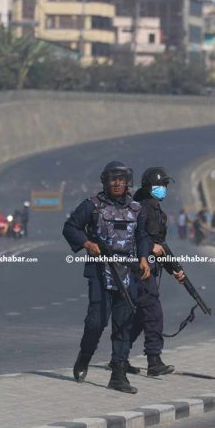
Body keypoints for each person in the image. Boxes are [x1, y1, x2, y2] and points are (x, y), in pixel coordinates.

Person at [63, 161, 151, 394]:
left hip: (128, 273)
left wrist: (144, 258)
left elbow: (143, 237)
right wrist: (87, 243)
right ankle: (84, 357)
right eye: (113, 179)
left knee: (123, 324)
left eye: (121, 179)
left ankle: (118, 375)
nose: (117, 183)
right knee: (96, 322)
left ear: (127, 182)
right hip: (100, 272)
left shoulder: (137, 209)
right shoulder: (91, 206)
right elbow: (70, 227)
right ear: (105, 181)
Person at [129, 167, 185, 376]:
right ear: (150, 187)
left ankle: (120, 356)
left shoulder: (153, 208)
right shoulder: (143, 209)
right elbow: (138, 237)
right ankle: (154, 361)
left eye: (166, 186)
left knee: (139, 317)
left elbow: (160, 244)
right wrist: (150, 248)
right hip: (140, 267)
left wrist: (175, 269)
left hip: (148, 266)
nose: (164, 189)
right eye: (161, 186)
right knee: (153, 312)